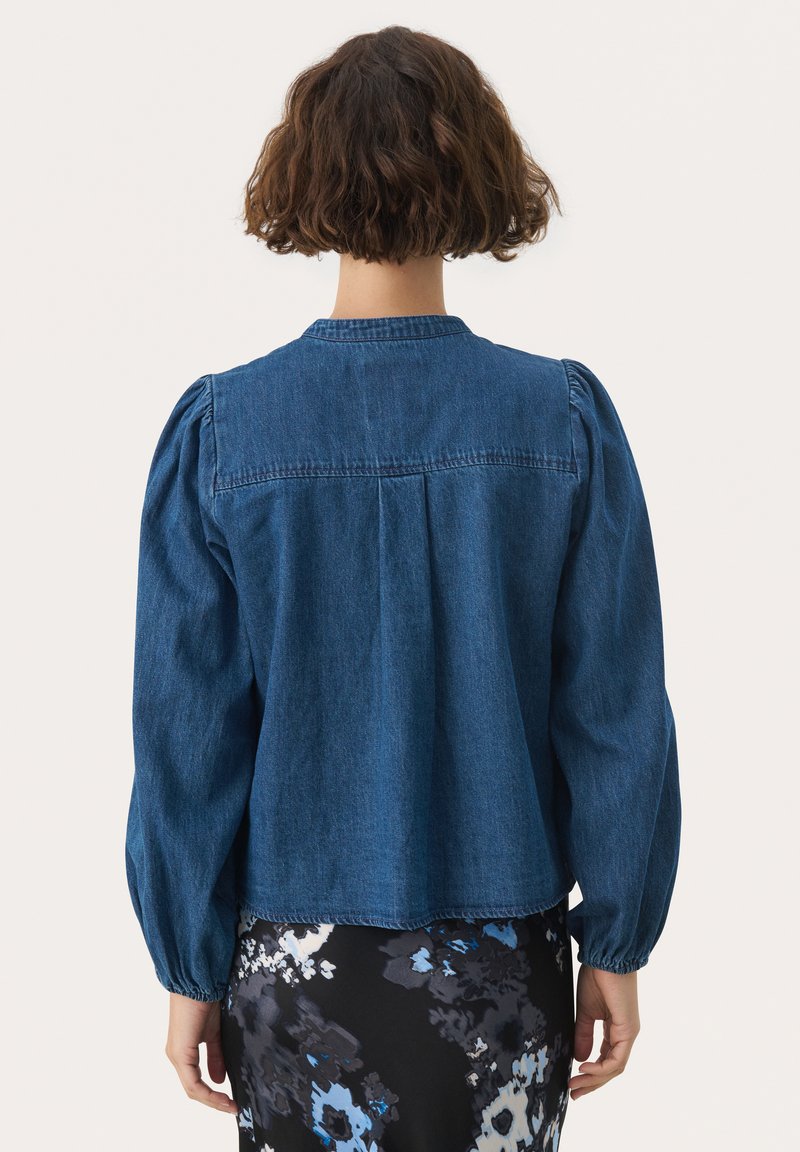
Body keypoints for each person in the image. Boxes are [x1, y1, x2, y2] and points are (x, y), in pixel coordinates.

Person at [124, 24, 681, 1151]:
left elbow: (189, 737)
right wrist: (616, 944)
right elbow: (614, 713)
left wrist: (188, 968)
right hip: (504, 962)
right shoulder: (559, 421)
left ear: (304, 176)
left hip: (292, 965)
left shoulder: (225, 432)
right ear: (480, 170)